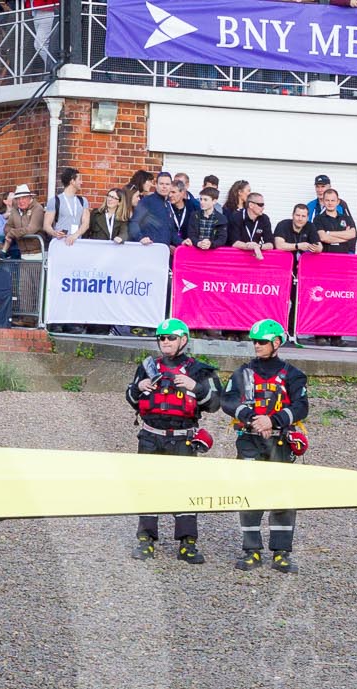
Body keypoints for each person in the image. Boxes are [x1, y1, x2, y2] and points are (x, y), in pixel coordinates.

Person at [126, 317, 221, 563]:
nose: (165, 342)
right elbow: (131, 398)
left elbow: (215, 404)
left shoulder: (200, 370)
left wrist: (196, 387)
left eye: (171, 338)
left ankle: (187, 543)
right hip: (150, 437)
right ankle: (145, 540)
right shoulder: (147, 367)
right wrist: (138, 388)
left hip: (182, 439)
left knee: (186, 489)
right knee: (147, 488)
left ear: (183, 340)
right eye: (161, 338)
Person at [226, 320, 310, 574]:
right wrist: (254, 419)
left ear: (276, 343)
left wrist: (272, 421)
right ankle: (251, 551)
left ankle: (281, 553)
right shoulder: (242, 373)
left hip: (280, 441)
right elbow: (228, 401)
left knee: (282, 495)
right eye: (254, 341)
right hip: (249, 440)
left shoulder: (294, 375)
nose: (257, 346)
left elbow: (301, 406)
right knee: (249, 494)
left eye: (262, 341)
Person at [43, 170, 87, 250]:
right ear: (72, 181)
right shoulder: (55, 200)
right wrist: (54, 233)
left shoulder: (83, 201)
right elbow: (46, 225)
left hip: (77, 244)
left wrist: (75, 235)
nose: (82, 182)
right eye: (79, 179)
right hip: (59, 244)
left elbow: (86, 223)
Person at [228, 190, 273, 259]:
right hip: (237, 257)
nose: (263, 207)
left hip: (254, 257)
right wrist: (252, 246)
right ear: (251, 205)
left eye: (263, 205)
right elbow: (234, 243)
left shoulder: (265, 218)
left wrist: (258, 246)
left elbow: (270, 244)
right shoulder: (236, 217)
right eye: (260, 205)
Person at [313, 186, 357, 254]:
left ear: (337, 202)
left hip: (343, 257)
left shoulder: (346, 218)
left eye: (333, 200)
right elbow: (323, 238)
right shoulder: (318, 219)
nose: (330, 203)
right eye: (327, 200)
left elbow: (352, 234)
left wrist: (329, 233)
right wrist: (345, 238)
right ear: (323, 202)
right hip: (325, 257)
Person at [187, 186, 228, 250]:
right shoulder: (194, 215)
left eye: (205, 200)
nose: (202, 202)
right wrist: (198, 243)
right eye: (201, 199)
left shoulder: (221, 218)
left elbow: (222, 239)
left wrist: (210, 244)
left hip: (213, 253)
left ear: (214, 201)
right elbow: (191, 234)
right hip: (196, 251)